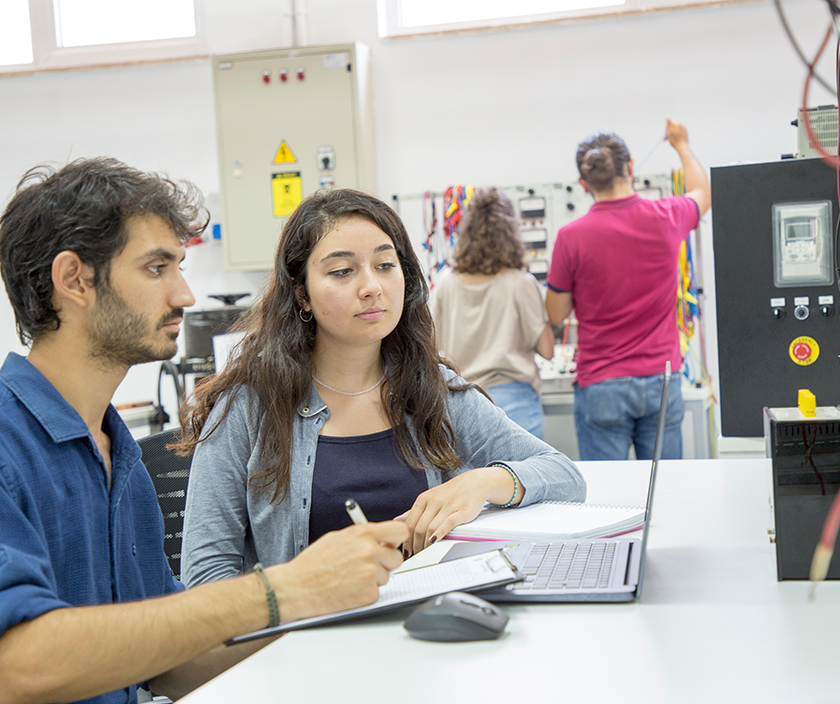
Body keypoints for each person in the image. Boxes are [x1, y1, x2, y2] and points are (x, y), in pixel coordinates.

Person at [0, 159, 408, 704]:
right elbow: (19, 664)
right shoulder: (7, 446)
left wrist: (337, 615)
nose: (185, 295)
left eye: (179, 267)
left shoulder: (116, 454)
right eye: (156, 268)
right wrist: (284, 590)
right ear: (74, 279)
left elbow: (168, 664)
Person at [178, 188, 585, 587]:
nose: (371, 286)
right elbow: (204, 575)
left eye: (385, 265)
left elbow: (565, 476)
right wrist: (298, 592)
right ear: (302, 294)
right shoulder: (248, 406)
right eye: (342, 271)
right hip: (306, 629)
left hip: (427, 620)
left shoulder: (433, 389)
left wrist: (482, 482)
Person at [545, 118, 711, 461]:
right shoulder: (668, 215)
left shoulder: (570, 237)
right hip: (661, 380)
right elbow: (702, 193)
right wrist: (681, 145)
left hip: (601, 384)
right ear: (631, 167)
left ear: (583, 183)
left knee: (610, 490)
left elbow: (556, 315)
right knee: (664, 485)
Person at [430, 187, 555, 440]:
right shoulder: (520, 282)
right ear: (511, 233)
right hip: (514, 402)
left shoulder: (445, 282)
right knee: (523, 467)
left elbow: (431, 344)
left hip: (459, 401)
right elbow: (547, 350)